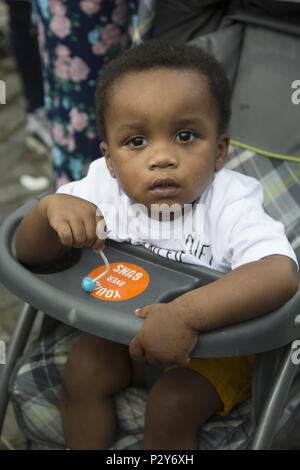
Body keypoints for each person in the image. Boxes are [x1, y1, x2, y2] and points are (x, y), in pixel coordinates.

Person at [14, 40, 299, 450]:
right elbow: (30, 256)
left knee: (171, 404)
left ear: (219, 151)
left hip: (220, 346)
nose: (162, 157)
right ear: (110, 160)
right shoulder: (101, 187)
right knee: (83, 372)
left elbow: (279, 273)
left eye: (185, 136)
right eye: (136, 142)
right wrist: (47, 212)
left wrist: (187, 314)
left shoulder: (231, 201)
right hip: (127, 329)